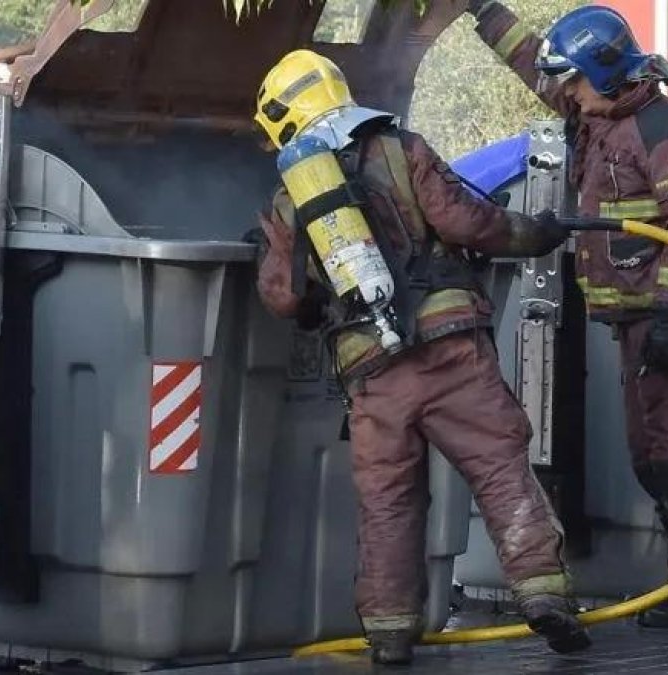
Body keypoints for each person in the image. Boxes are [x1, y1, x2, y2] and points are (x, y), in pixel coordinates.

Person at [249, 49, 592, 664]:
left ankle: (389, 632)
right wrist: (536, 233)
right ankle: (543, 595)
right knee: (499, 470)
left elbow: (283, 297)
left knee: (388, 500)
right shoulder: (399, 148)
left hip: (373, 370)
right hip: (450, 348)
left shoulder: (291, 196)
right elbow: (466, 223)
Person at [464, 1, 668, 627]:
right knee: (649, 456)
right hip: (633, 320)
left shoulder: (664, 132)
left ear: (605, 73)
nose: (566, 93)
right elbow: (532, 64)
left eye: (574, 80)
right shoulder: (595, 110)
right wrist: (483, 11)